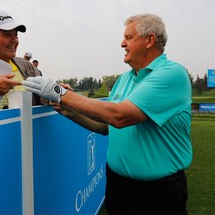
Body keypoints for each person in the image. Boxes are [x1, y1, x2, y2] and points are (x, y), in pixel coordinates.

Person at [22, 14, 193, 214]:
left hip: (158, 192)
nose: (122, 43)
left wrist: (61, 94)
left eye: (129, 37)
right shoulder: (124, 79)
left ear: (150, 40)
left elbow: (119, 116)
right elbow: (105, 126)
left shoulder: (171, 74)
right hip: (118, 184)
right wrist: (68, 110)